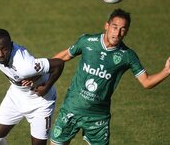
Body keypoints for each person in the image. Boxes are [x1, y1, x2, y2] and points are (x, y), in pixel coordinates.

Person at [50, 8, 170, 145]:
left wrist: (166, 71)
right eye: (115, 27)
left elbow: (146, 82)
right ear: (106, 26)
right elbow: (64, 56)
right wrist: (41, 69)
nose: (117, 33)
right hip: (72, 109)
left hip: (98, 118)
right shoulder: (87, 41)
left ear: (127, 31)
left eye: (123, 29)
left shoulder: (127, 55)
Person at [0, 29, 64, 145]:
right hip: (16, 96)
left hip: (40, 103)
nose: (0, 54)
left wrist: (46, 87)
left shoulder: (25, 65)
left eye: (4, 49)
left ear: (10, 46)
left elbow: (59, 64)